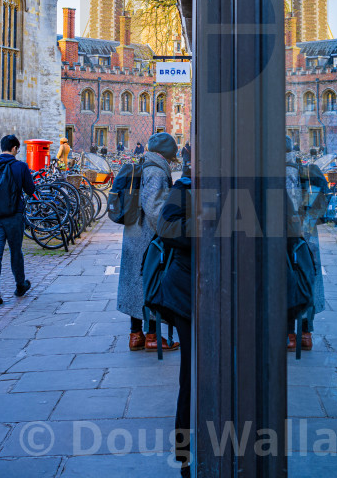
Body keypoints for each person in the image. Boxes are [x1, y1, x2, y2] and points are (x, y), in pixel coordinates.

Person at [118, 132, 179, 352]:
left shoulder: (145, 164)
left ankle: (136, 336)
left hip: (135, 232)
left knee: (135, 285)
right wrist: (168, 231)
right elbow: (154, 207)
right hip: (147, 236)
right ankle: (153, 336)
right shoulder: (156, 170)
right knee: (153, 281)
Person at [154, 165, 192, 478]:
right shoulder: (184, 188)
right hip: (187, 292)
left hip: (231, 293)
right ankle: (183, 450)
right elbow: (166, 227)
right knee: (190, 372)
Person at [0, 134, 38, 306]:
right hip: (14, 216)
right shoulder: (20, 166)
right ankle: (20, 285)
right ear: (14, 148)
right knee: (16, 251)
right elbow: (30, 190)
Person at [286, 136, 328, 350]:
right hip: (308, 237)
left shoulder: (276, 172)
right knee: (307, 279)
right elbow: (322, 199)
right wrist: (308, 222)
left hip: (284, 237)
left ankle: (290, 335)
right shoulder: (307, 170)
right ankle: (306, 334)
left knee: (286, 280)